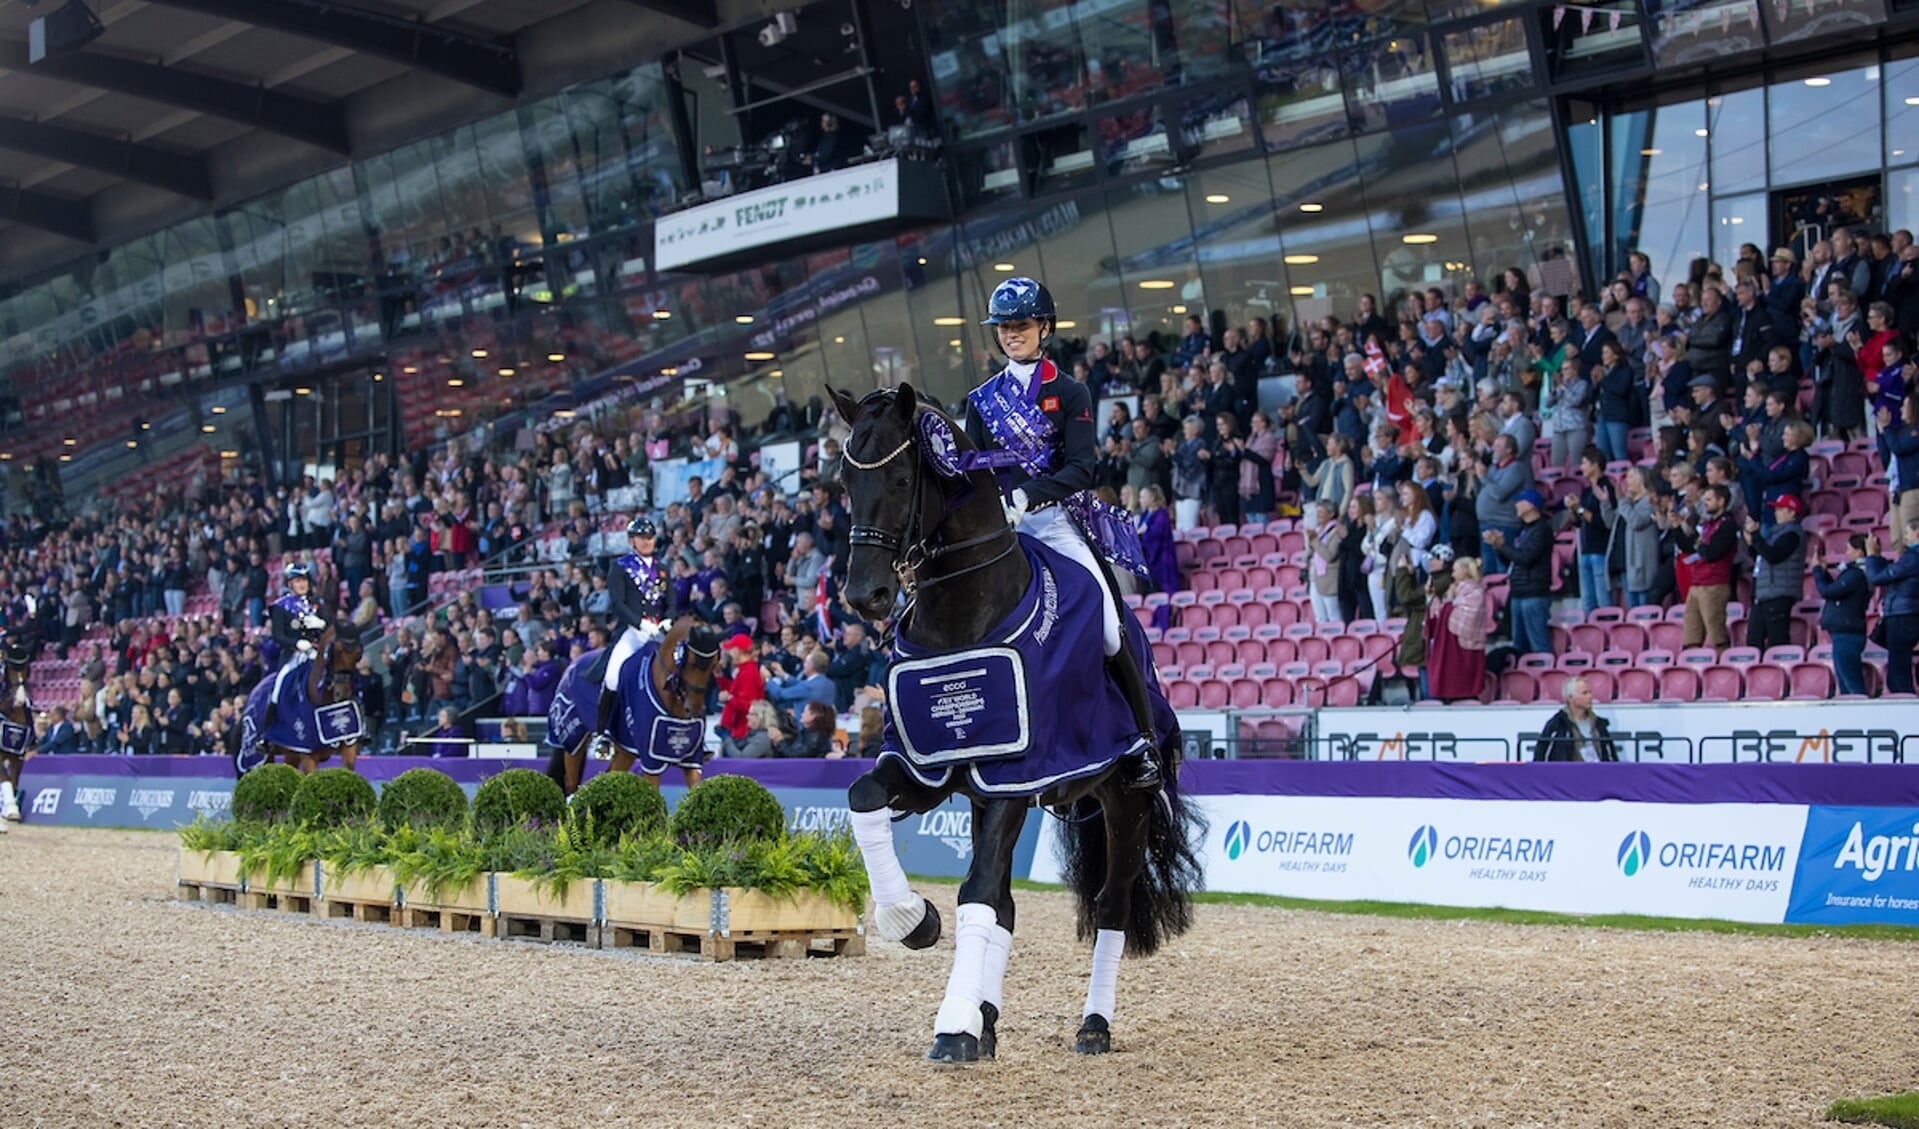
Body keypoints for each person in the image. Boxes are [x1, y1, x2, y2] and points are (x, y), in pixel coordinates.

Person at [965, 276, 1160, 790]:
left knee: (1109, 629)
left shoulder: (1070, 390)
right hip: (998, 530)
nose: (1011, 335)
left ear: (1044, 328)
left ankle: (1141, 740)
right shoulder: (981, 400)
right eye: (1004, 327)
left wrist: (1028, 496)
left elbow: (1082, 468)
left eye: (1021, 326)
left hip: (1054, 521)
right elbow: (973, 469)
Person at [587, 516, 672, 759]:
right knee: (613, 676)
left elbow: (672, 602)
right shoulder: (620, 567)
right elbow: (618, 603)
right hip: (632, 632)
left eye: (650, 537)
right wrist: (640, 623)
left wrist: (669, 619)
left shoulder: (662, 569)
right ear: (632, 540)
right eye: (642, 537)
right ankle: (602, 734)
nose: (647, 541)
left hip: (660, 631)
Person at [262, 562, 329, 736]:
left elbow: (332, 628)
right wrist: (296, 643)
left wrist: (322, 624)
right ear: (290, 584)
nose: (302, 584)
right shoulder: (280, 606)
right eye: (297, 581)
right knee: (278, 688)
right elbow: (278, 635)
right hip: (294, 655)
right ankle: (267, 733)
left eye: (304, 580)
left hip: (317, 653)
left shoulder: (316, 604)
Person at [1484, 489, 1554, 655]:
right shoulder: (1524, 530)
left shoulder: (1542, 530)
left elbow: (1526, 558)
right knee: (1519, 648)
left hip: (1534, 594)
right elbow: (1512, 560)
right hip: (1518, 593)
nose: (1515, 505)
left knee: (1539, 646)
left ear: (1531, 505)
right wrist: (1498, 547)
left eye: (1519, 501)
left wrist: (1502, 545)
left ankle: (1546, 676)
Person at [1742, 494, 1807, 652]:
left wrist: (1756, 536)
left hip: (1778, 593)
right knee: (1753, 640)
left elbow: (1773, 556)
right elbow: (1761, 556)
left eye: (1780, 509)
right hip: (1765, 593)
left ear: (1792, 512)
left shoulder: (1792, 534)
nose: (1776, 513)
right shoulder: (1776, 534)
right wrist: (1752, 542)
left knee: (1778, 640)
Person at [1677, 484, 1739, 650]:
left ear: (1721, 501)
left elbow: (1711, 552)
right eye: (1704, 499)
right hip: (1696, 583)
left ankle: (1723, 668)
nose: (1705, 503)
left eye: (1709, 499)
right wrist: (1677, 527)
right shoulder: (1707, 525)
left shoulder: (1727, 525)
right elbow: (1688, 547)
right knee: (1691, 636)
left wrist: (1698, 542)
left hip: (1714, 585)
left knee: (1716, 636)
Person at [1810, 533, 1872, 695]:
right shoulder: (1855, 574)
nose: (1847, 552)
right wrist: (1824, 572)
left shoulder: (1856, 574)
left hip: (1848, 632)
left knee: (1851, 683)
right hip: (1845, 631)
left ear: (1859, 552)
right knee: (1845, 683)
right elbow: (1837, 590)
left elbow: (1828, 591)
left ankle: (1859, 716)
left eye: (1850, 549)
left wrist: (1816, 570)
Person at [1863, 519, 1919, 694]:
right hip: (1907, 613)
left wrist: (1872, 555)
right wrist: (1878, 558)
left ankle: (1907, 713)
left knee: (1899, 673)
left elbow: (1877, 578)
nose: (1906, 537)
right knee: (1897, 670)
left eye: (1908, 532)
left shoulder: (1912, 558)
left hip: (1903, 616)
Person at [1427, 555, 1488, 702]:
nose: (1452, 574)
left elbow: (1465, 616)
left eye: (1455, 571)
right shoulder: (1456, 590)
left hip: (1464, 644)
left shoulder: (1475, 592)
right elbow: (1443, 612)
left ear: (1466, 572)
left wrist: (1449, 602)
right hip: (1449, 643)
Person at [1571, 448, 1619, 612]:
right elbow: (1578, 522)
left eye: (1584, 463)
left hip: (1600, 550)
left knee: (1604, 601)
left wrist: (1579, 509)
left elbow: (1603, 521)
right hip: (1585, 550)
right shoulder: (1586, 491)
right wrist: (1573, 509)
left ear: (1595, 465)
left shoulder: (1607, 489)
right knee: (1588, 603)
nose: (1581, 467)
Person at [1532, 677, 1619, 762]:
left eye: (1590, 692)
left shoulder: (1599, 724)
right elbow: (1541, 754)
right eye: (1584, 693)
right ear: (1570, 697)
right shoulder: (1557, 724)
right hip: (1567, 774)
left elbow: (1610, 754)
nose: (1590, 696)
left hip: (1597, 773)